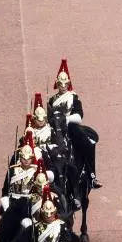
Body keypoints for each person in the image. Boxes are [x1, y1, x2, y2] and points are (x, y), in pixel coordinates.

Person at [46, 59, 101, 188]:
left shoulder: (73, 97)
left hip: (70, 126)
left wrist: (65, 119)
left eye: (65, 84)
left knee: (87, 144)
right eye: (60, 84)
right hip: (56, 128)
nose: (63, 86)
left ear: (68, 83)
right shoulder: (51, 100)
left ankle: (91, 175)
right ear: (57, 84)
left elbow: (79, 116)